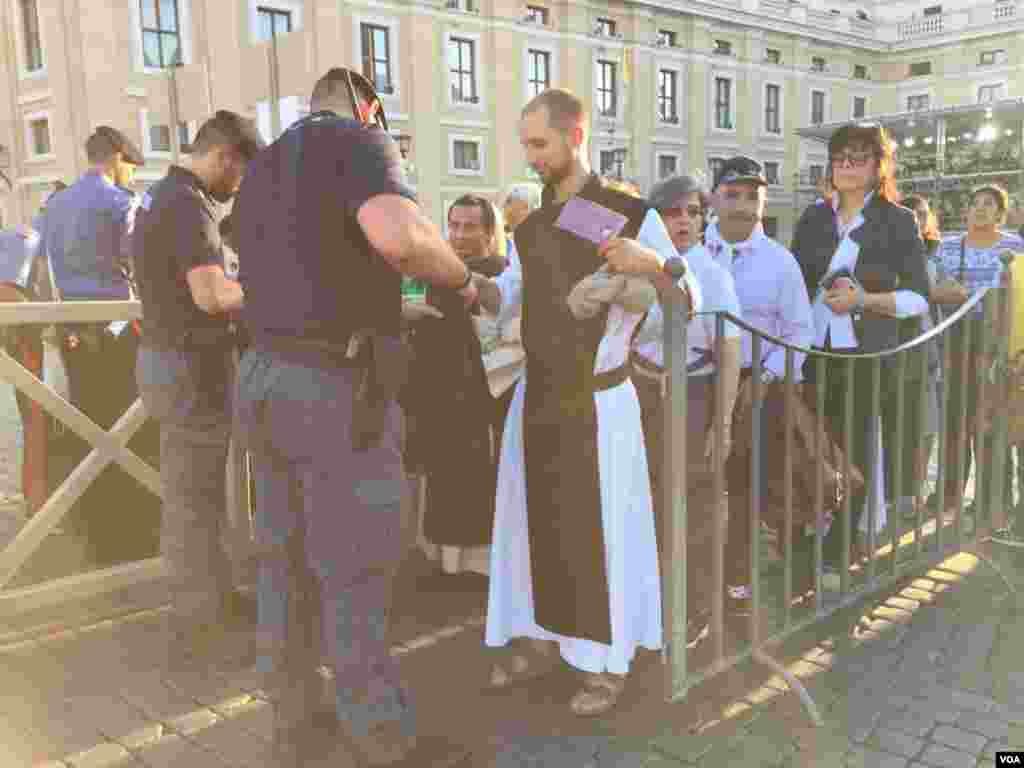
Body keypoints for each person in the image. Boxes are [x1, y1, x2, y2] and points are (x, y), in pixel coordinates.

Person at [232, 67, 477, 767]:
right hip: (330, 386)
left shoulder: (263, 166)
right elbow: (399, 238)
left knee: (282, 562)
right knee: (355, 566)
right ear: (369, 107)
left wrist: (379, 308)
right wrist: (462, 278)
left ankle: (295, 720)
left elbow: (302, 275)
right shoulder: (360, 142)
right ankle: (381, 735)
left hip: (264, 374)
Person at [473, 88, 698, 717]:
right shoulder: (540, 222)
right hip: (537, 401)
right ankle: (544, 640)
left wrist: (654, 263)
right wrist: (466, 285)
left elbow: (688, 298)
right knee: (530, 530)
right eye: (526, 145)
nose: (532, 157)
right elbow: (515, 294)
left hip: (600, 407)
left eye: (539, 144)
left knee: (600, 536)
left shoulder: (618, 212)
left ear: (576, 135)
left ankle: (605, 661)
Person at [133, 111, 265, 662]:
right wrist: (270, 289)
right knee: (194, 497)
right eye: (239, 176)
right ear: (224, 157)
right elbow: (212, 296)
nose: (237, 189)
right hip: (190, 366)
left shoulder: (161, 196)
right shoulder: (189, 206)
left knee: (194, 493)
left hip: (166, 359)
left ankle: (208, 598)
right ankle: (198, 614)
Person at [791, 124, 929, 576]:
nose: (846, 166)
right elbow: (794, 284)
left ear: (878, 166)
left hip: (866, 357)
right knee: (811, 448)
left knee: (854, 452)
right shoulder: (812, 218)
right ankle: (810, 539)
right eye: (840, 158)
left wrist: (864, 301)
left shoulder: (898, 220)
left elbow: (918, 298)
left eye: (858, 157)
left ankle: (839, 549)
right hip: (812, 351)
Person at [35, 126, 155, 566]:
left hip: (71, 334)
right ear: (119, 157)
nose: (131, 175)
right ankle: (134, 536)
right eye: (130, 166)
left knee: (86, 428)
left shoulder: (55, 205)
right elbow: (139, 269)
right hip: (119, 337)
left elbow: (42, 271)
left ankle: (94, 529)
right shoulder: (122, 205)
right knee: (131, 433)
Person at [631, 173, 742, 642]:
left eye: (692, 211)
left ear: (703, 220)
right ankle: (648, 604)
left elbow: (730, 351)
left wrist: (724, 421)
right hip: (638, 391)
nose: (683, 220)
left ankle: (695, 610)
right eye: (672, 211)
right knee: (644, 504)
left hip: (691, 394)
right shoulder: (638, 268)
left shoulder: (712, 275)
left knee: (693, 508)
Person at [703, 156, 814, 614]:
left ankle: (755, 581)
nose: (744, 206)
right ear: (714, 197)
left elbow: (800, 332)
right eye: (733, 195)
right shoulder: (691, 254)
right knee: (702, 482)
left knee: (756, 484)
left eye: (754, 196)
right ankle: (706, 577)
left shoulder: (780, 262)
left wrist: (765, 377)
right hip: (700, 380)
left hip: (758, 383)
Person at [402, 194, 505, 570]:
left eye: (470, 226)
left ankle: (472, 566)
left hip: (477, 391)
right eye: (455, 225)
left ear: (489, 231)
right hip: (436, 387)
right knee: (443, 478)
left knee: (471, 479)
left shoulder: (497, 271)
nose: (459, 234)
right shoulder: (438, 267)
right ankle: (443, 561)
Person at [931, 184, 1024, 543]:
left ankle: (993, 504)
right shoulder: (950, 246)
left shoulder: (1015, 247)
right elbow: (931, 290)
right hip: (957, 345)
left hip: (999, 347)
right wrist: (950, 293)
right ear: (966, 210)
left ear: (1001, 214)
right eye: (976, 203)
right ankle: (952, 499)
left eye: (990, 205)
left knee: (992, 425)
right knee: (956, 424)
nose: (981, 209)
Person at [900, 195, 943, 522]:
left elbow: (949, 294)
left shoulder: (935, 255)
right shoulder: (890, 251)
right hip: (897, 347)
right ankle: (897, 492)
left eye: (922, 214)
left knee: (925, 425)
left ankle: (915, 490)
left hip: (928, 347)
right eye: (910, 212)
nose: (916, 218)